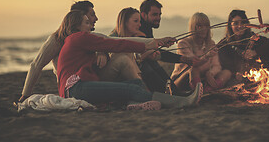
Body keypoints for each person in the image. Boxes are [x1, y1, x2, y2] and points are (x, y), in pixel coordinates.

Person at [19, 1, 168, 103]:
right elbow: (36, 65)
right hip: (74, 87)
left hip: (90, 78)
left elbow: (113, 43)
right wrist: (25, 95)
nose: (95, 18)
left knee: (124, 61)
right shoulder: (56, 40)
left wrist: (101, 52)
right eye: (91, 15)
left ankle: (149, 98)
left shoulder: (87, 36)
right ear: (79, 18)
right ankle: (152, 98)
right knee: (129, 77)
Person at [57, 10, 203, 110]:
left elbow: (106, 46)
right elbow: (113, 44)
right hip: (75, 88)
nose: (91, 26)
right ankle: (182, 102)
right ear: (77, 25)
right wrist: (144, 46)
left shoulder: (75, 40)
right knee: (131, 89)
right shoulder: (79, 37)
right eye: (87, 23)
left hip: (80, 86)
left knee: (133, 84)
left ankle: (134, 104)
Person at [139, 0, 199, 93]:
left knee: (153, 63)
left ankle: (174, 93)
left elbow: (155, 51)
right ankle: (172, 94)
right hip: (138, 65)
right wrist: (182, 58)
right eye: (154, 14)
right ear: (143, 15)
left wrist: (182, 58)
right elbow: (152, 52)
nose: (158, 18)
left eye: (159, 14)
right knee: (149, 64)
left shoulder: (146, 27)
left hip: (143, 62)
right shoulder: (139, 28)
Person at [171, 12, 232, 92]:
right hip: (182, 80)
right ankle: (198, 92)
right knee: (194, 70)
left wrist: (210, 73)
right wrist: (207, 56)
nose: (204, 29)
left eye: (206, 26)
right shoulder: (184, 43)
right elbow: (194, 62)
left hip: (203, 80)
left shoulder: (211, 44)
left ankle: (207, 91)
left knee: (227, 73)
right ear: (193, 27)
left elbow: (217, 66)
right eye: (200, 26)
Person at [217, 9, 269, 83]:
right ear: (230, 25)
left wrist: (255, 52)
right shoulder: (225, 44)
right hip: (235, 82)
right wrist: (234, 74)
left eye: (242, 22)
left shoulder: (253, 38)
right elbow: (224, 65)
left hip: (257, 81)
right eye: (235, 23)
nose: (239, 26)